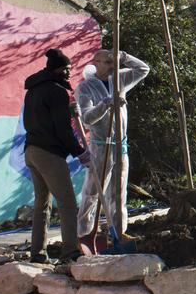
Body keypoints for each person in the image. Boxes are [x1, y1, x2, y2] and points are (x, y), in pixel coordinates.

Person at [75, 49, 150, 249]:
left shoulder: (120, 79)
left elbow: (143, 69)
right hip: (101, 147)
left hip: (120, 145)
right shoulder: (85, 88)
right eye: (107, 62)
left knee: (119, 191)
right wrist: (105, 104)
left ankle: (119, 231)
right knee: (93, 190)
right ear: (96, 63)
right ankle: (84, 232)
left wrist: (123, 56)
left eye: (113, 62)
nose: (112, 66)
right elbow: (87, 118)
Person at [21, 49, 91, 263]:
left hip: (31, 150)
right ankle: (70, 252)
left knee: (42, 204)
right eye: (67, 69)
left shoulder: (33, 90)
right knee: (67, 202)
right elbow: (63, 130)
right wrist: (81, 152)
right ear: (58, 70)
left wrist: (68, 112)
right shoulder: (58, 91)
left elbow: (42, 119)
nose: (69, 73)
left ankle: (38, 254)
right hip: (49, 153)